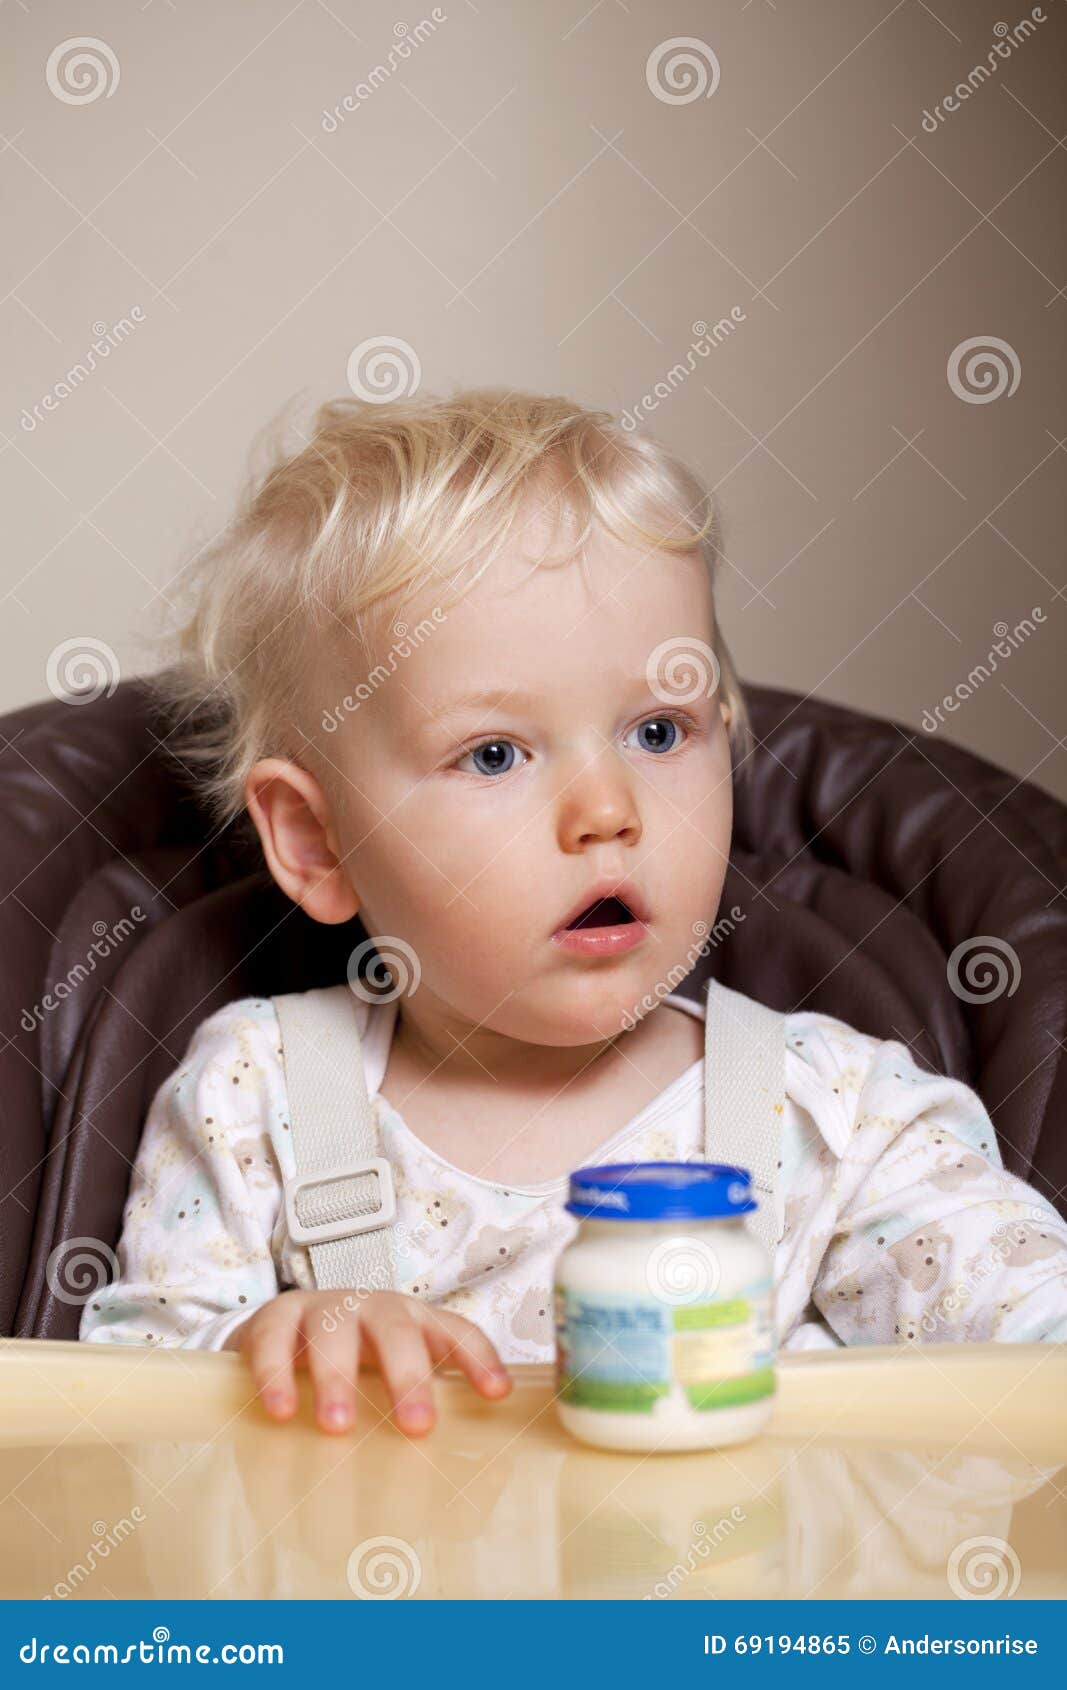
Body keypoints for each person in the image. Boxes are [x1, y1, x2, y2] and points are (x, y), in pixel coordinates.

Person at [79, 389, 1067, 1437]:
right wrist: (258, 1345)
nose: (607, 811)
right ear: (319, 843)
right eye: (495, 753)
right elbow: (120, 1426)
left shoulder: (836, 1120)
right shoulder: (255, 1099)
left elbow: (1030, 1342)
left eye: (656, 731)